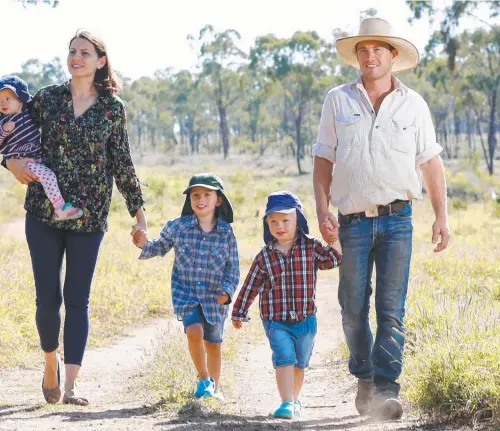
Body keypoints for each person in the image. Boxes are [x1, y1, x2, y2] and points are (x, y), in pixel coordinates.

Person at [313, 17, 450, 420]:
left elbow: (431, 163)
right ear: (356, 57)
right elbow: (323, 158)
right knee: (353, 307)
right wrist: (321, 210)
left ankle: (386, 389)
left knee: (392, 309)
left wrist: (441, 216)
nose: (369, 57)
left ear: (393, 55)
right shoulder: (337, 100)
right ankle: (364, 375)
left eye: (377, 50)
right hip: (352, 222)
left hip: (397, 222)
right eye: (363, 50)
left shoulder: (414, 105)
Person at [5, 29, 147, 406]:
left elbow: (122, 162)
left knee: (77, 298)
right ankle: (50, 364)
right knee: (48, 298)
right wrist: (11, 161)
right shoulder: (48, 99)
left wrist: (139, 213)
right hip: (43, 211)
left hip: (90, 214)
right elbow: (14, 132)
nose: (76, 58)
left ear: (101, 61)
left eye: (85, 52)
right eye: (72, 52)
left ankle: (70, 385)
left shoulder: (113, 109)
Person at [231, 191, 342, 419]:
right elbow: (250, 285)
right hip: (276, 320)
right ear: (267, 224)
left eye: (285, 220)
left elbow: (334, 260)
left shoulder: (311, 247)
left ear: (298, 221)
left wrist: (334, 239)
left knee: (300, 364)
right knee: (284, 358)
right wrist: (239, 311)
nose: (279, 226)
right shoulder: (264, 256)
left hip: (306, 319)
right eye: (273, 221)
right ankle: (286, 402)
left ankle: (294, 399)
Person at [134, 173, 239, 401]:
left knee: (213, 344)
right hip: (187, 293)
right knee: (194, 331)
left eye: (207, 195)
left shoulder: (227, 233)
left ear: (218, 200)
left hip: (214, 298)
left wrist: (228, 291)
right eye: (195, 195)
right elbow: (159, 247)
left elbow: (233, 268)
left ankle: (214, 388)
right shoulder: (178, 227)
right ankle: (203, 379)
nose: (201, 199)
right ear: (190, 199)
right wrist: (143, 243)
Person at [0, 75, 83, 221]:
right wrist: (3, 130)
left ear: (21, 101)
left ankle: (58, 205)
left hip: (38, 157)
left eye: (7, 98)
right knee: (48, 175)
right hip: (25, 162)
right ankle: (60, 208)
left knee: (52, 176)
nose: (2, 103)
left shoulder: (28, 114)